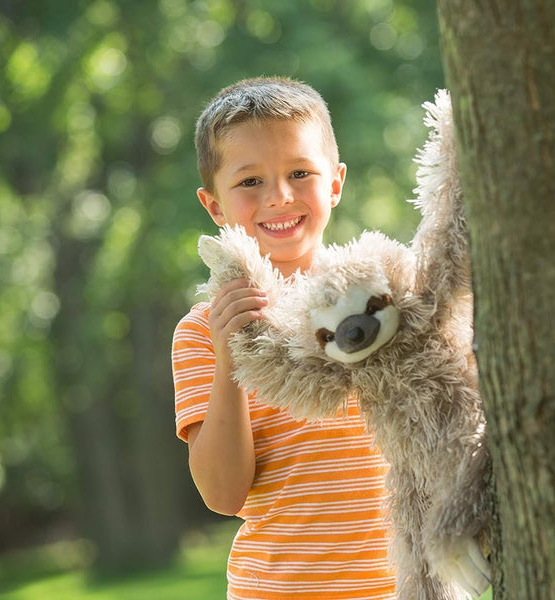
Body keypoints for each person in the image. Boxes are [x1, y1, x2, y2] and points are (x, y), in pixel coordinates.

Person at [171, 76, 396, 599]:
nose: (279, 197)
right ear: (214, 206)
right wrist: (232, 357)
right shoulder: (201, 331)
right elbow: (223, 494)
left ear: (335, 183)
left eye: (300, 172)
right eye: (250, 182)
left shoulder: (382, 303)